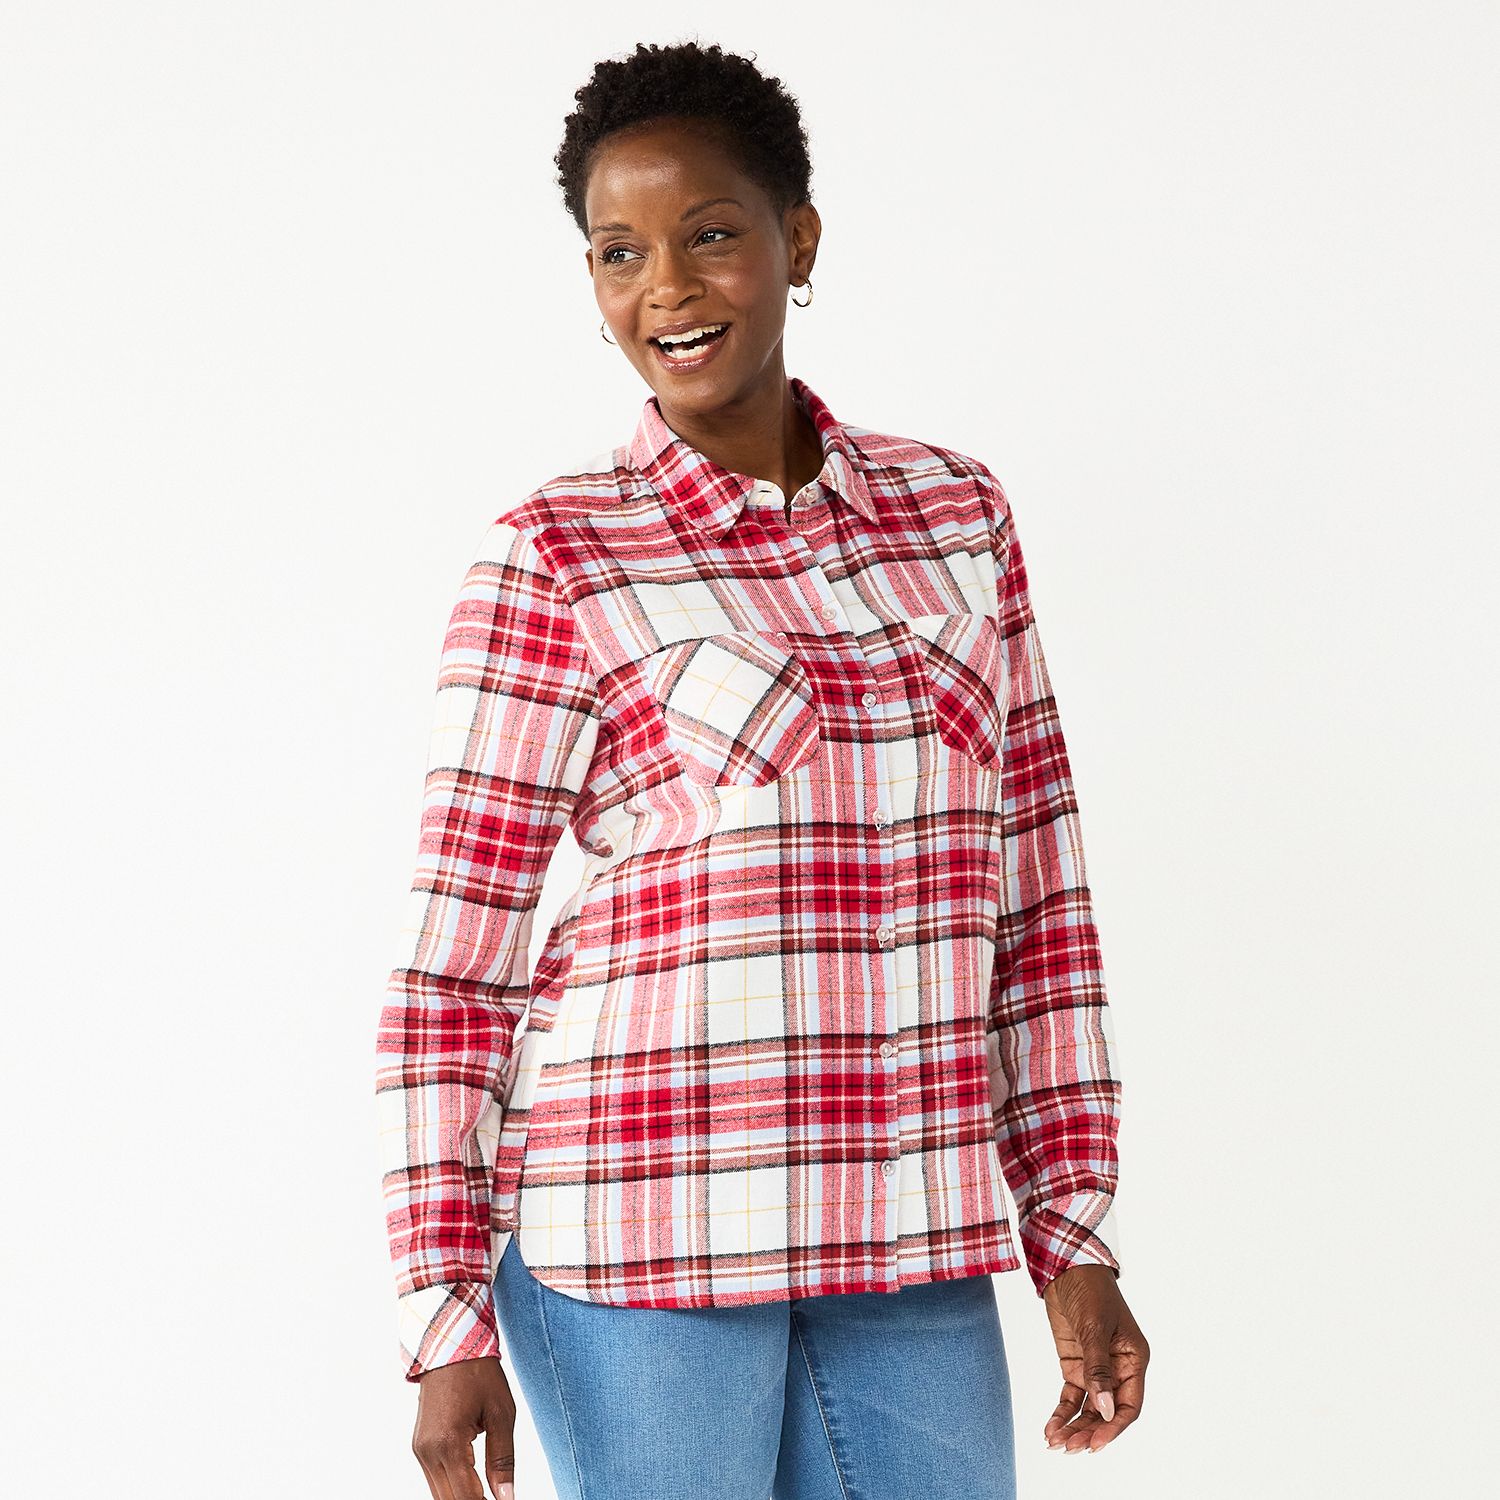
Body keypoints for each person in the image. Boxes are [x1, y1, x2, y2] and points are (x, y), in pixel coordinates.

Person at [374, 38, 1149, 1500]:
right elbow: (455, 970)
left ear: (800, 239)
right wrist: (444, 1314)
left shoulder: (957, 516)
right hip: (639, 1235)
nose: (666, 286)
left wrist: (1072, 1233)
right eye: (620, 252)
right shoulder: (556, 553)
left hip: (907, 1236)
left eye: (711, 234)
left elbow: (1039, 904)